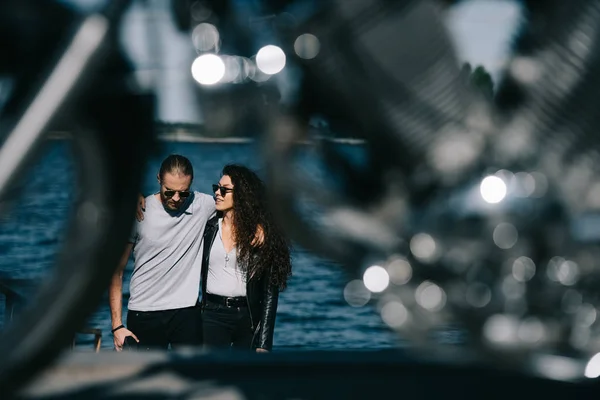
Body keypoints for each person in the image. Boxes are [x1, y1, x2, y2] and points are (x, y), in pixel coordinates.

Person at [109, 154, 215, 351]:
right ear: (159, 179)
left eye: (183, 193)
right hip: (144, 312)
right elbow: (116, 270)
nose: (176, 199)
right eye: (169, 192)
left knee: (190, 378)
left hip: (186, 312)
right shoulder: (140, 212)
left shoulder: (202, 205)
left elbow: (242, 202)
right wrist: (117, 325)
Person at [200, 164, 292, 352]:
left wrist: (264, 343)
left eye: (224, 190)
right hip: (211, 314)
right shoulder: (208, 227)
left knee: (243, 377)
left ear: (241, 195)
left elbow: (269, 291)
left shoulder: (259, 235)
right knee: (211, 375)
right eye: (216, 188)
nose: (218, 193)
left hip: (247, 317)